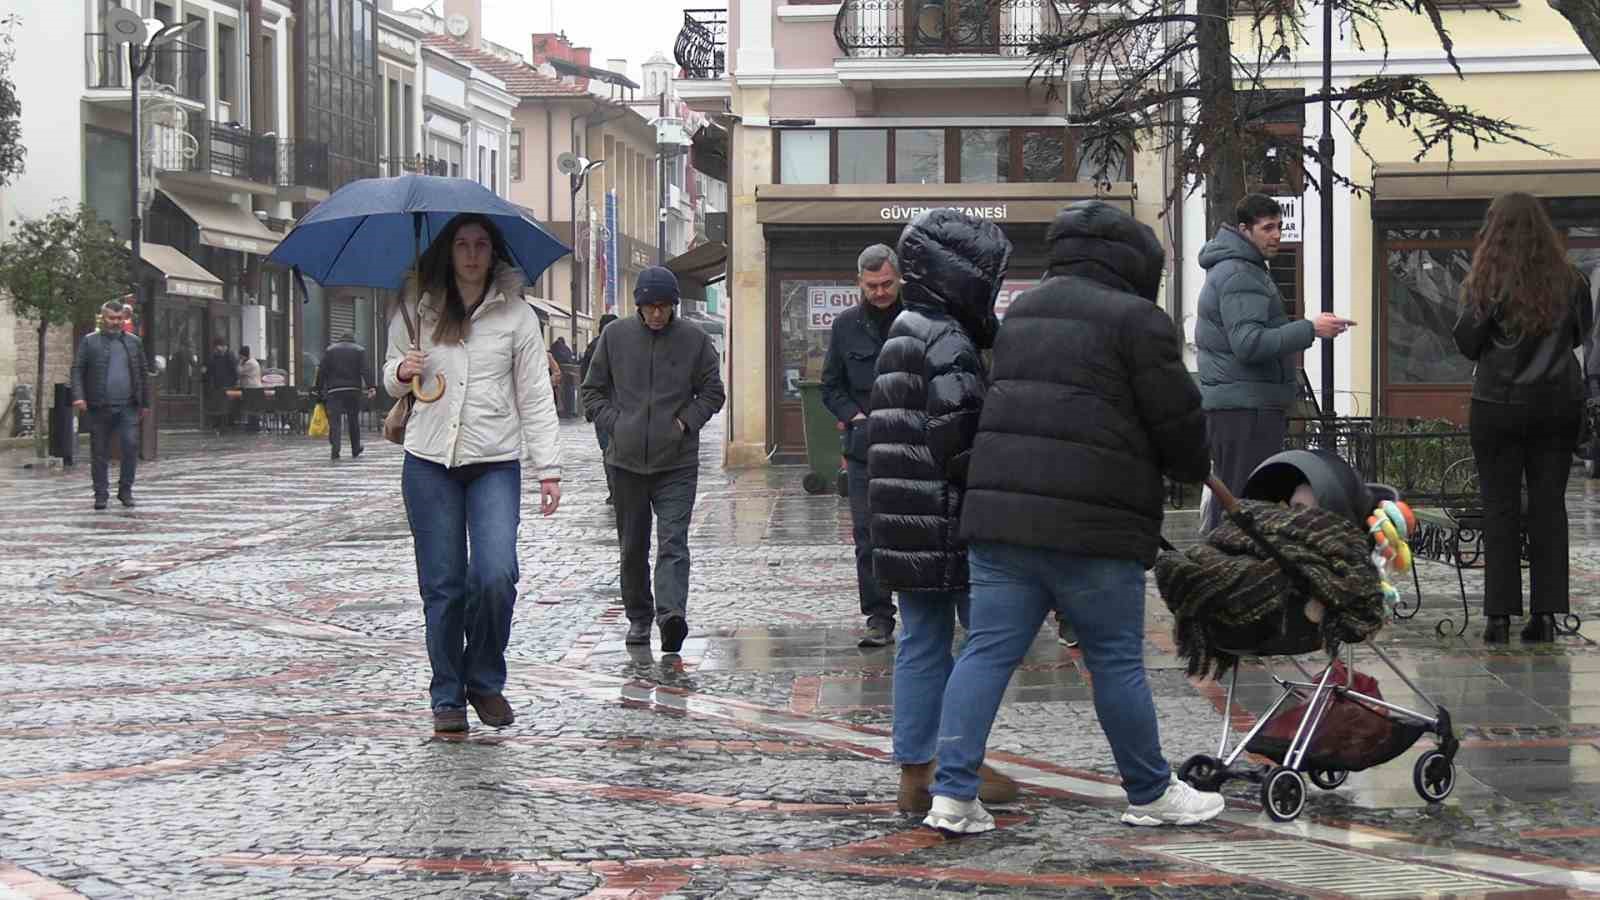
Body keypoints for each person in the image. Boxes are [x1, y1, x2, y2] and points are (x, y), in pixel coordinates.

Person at [924, 201, 1221, 834]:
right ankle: (1149, 793)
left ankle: (951, 795)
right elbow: (1179, 424)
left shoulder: (1023, 311)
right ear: (1135, 262)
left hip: (1002, 519)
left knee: (984, 655)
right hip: (1094, 527)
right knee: (1114, 659)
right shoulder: (1137, 320)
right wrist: (1192, 463)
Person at [382, 213, 563, 734]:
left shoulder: (517, 317)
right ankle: (447, 696)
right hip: (428, 463)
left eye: (481, 244)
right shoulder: (418, 309)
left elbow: (533, 395)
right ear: (448, 250)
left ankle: (484, 677)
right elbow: (390, 377)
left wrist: (548, 469)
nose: (471, 253)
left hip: (494, 463)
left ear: (494, 251)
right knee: (442, 587)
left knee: (495, 575)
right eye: (461, 243)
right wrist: (402, 371)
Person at [865, 210, 1018, 816]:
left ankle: (917, 769)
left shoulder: (906, 327)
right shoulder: (948, 338)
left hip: (904, 519)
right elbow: (961, 441)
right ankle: (958, 765)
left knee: (922, 641)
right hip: (947, 518)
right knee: (989, 641)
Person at [1454, 192, 1594, 644]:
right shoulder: (1572, 281)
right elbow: (1580, 333)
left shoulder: (1488, 281)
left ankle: (1498, 617)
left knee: (1500, 507)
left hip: (1497, 404)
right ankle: (1546, 616)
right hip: (1557, 403)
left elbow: (1468, 343)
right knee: (1549, 507)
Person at [581, 266, 725, 654]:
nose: (657, 314)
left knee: (673, 541)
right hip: (625, 461)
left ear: (674, 306)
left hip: (677, 462)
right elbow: (591, 391)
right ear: (639, 306)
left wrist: (684, 423)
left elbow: (713, 392)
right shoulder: (615, 337)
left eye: (663, 306)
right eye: (650, 306)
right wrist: (617, 424)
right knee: (632, 545)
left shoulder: (694, 340)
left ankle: (671, 615)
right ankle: (639, 616)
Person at [1196, 193, 1352, 532]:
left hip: (1243, 407)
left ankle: (1231, 571)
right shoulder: (1240, 273)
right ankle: (1231, 575)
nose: (1277, 235)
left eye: (1279, 226)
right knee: (1242, 506)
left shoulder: (1242, 269)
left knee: (1238, 502)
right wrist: (1310, 328)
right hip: (1245, 411)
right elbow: (1248, 344)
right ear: (1244, 230)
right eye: (1267, 228)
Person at [822, 243, 903, 648]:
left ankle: (927, 609)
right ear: (860, 283)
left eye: (887, 283)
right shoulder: (845, 326)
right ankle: (878, 616)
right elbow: (830, 385)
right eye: (872, 285)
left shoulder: (917, 319)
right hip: (864, 447)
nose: (880, 292)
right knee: (867, 536)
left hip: (914, 445)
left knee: (918, 533)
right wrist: (853, 414)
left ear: (899, 278)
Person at [71, 298, 148, 510]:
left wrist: (145, 403)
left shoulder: (133, 342)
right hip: (99, 405)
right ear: (103, 318)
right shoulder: (90, 341)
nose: (115, 322)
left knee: (130, 446)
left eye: (119, 318)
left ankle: (125, 490)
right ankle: (100, 494)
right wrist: (79, 396)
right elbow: (77, 369)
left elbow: (142, 372)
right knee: (99, 451)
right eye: (111, 318)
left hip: (128, 405)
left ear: (124, 318)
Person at [580, 313, 620, 503]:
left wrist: (590, 407)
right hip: (623, 408)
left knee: (607, 450)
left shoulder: (592, 347)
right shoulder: (625, 345)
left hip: (601, 409)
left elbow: (585, 381)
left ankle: (614, 490)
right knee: (623, 449)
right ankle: (622, 490)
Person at [317, 332, 375, 460]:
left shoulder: (330, 350)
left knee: (335, 421)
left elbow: (322, 371)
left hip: (334, 390)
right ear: (353, 340)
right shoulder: (359, 350)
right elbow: (365, 369)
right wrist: (371, 386)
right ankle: (355, 448)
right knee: (353, 419)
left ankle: (335, 448)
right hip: (353, 389)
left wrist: (319, 388)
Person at [206, 336, 239, 431]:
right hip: (218, 385)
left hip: (228, 385)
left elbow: (234, 371)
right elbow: (211, 368)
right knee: (219, 405)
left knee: (226, 405)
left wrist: (233, 383)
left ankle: (228, 424)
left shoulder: (230, 355)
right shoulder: (215, 356)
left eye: (217, 347)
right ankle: (219, 424)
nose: (216, 349)